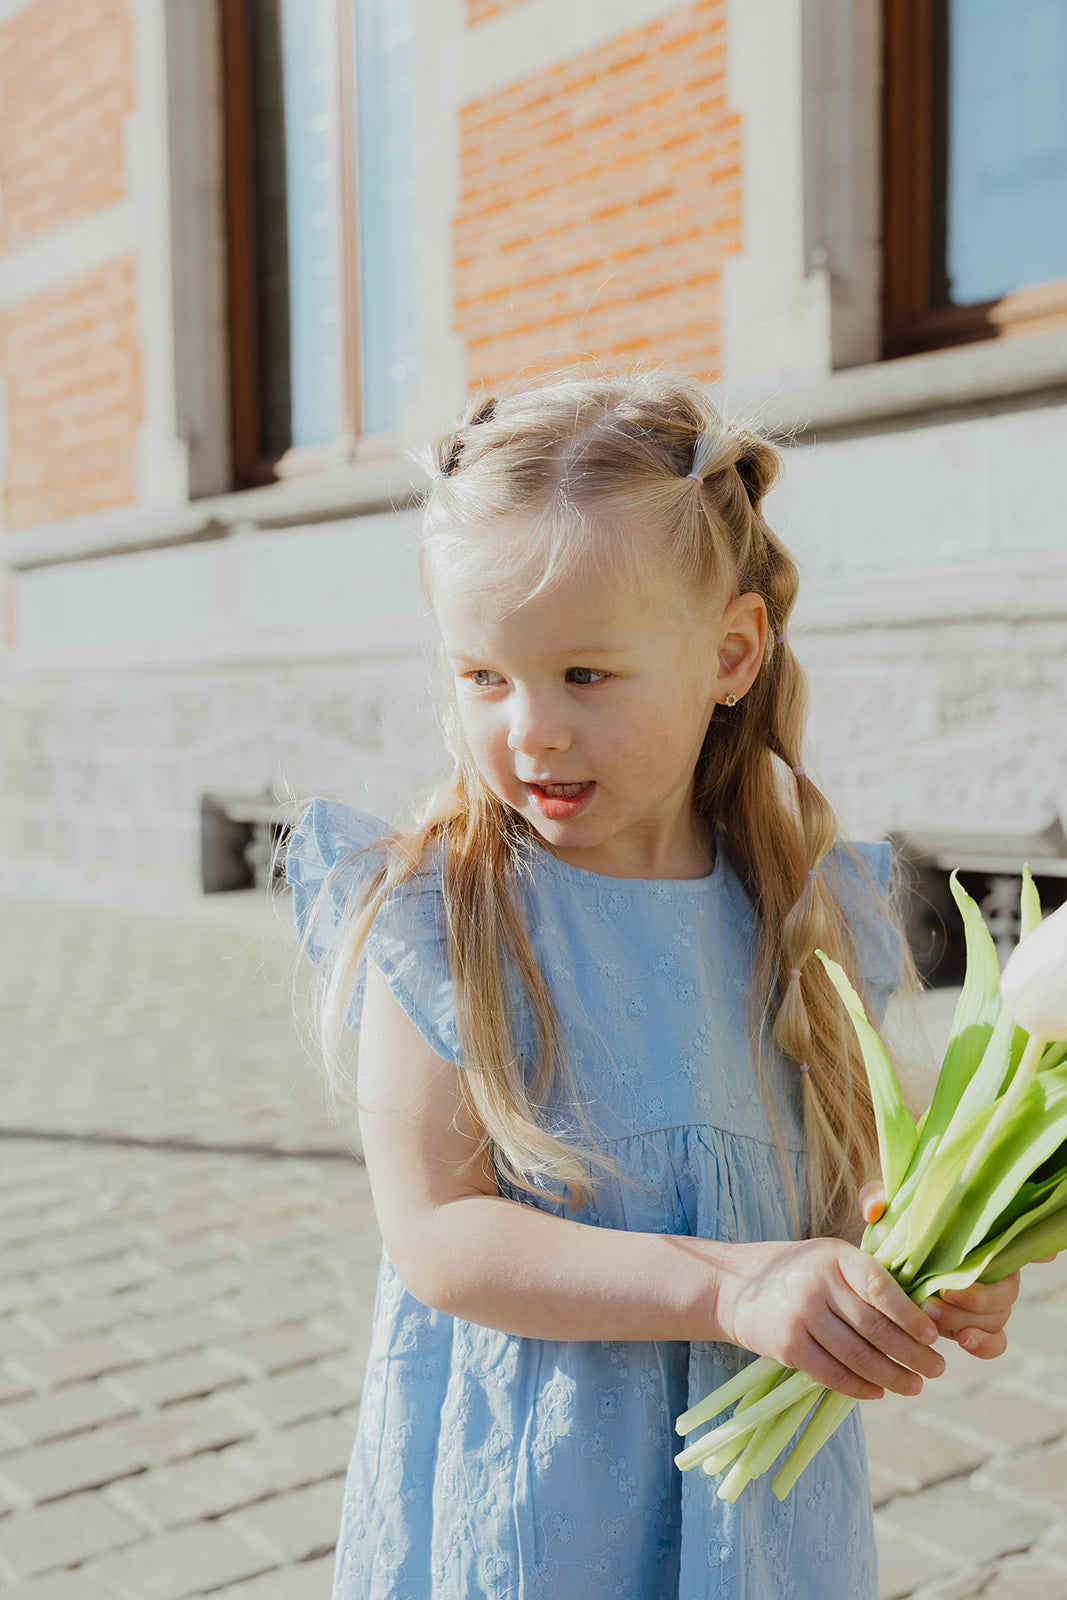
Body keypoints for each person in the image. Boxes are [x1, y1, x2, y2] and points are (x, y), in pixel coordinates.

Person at [284, 370, 1019, 1599]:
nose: (529, 732)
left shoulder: (795, 907)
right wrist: (732, 1287)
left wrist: (925, 1245)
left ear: (729, 653)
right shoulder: (441, 913)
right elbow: (437, 1236)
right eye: (481, 676)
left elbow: (845, 1163)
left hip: (754, 1516)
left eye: (584, 676)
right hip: (544, 1498)